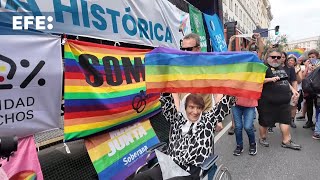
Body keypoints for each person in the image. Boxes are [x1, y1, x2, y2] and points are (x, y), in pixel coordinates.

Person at [133, 93, 234, 180]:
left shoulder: (207, 121)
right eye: (191, 107)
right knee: (141, 177)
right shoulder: (177, 120)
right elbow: (167, 103)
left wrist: (235, 85)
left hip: (190, 171)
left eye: (198, 108)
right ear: (185, 108)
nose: (195, 112)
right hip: (170, 165)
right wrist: (165, 84)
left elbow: (224, 105)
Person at [257, 48, 301, 150]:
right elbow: (257, 80)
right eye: (273, 57)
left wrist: (294, 90)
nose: (276, 59)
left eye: (278, 57)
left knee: (285, 120)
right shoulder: (262, 67)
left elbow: (285, 80)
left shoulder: (281, 67)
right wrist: (270, 79)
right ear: (267, 57)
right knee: (265, 122)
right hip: (267, 102)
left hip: (284, 102)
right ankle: (262, 138)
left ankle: (286, 141)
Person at [172, 33, 213, 113]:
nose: (185, 52)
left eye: (189, 49)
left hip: (205, 116)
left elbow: (217, 92)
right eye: (183, 49)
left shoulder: (208, 67)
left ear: (198, 49)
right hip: (185, 116)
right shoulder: (177, 68)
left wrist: (218, 119)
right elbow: (175, 92)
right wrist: (178, 112)